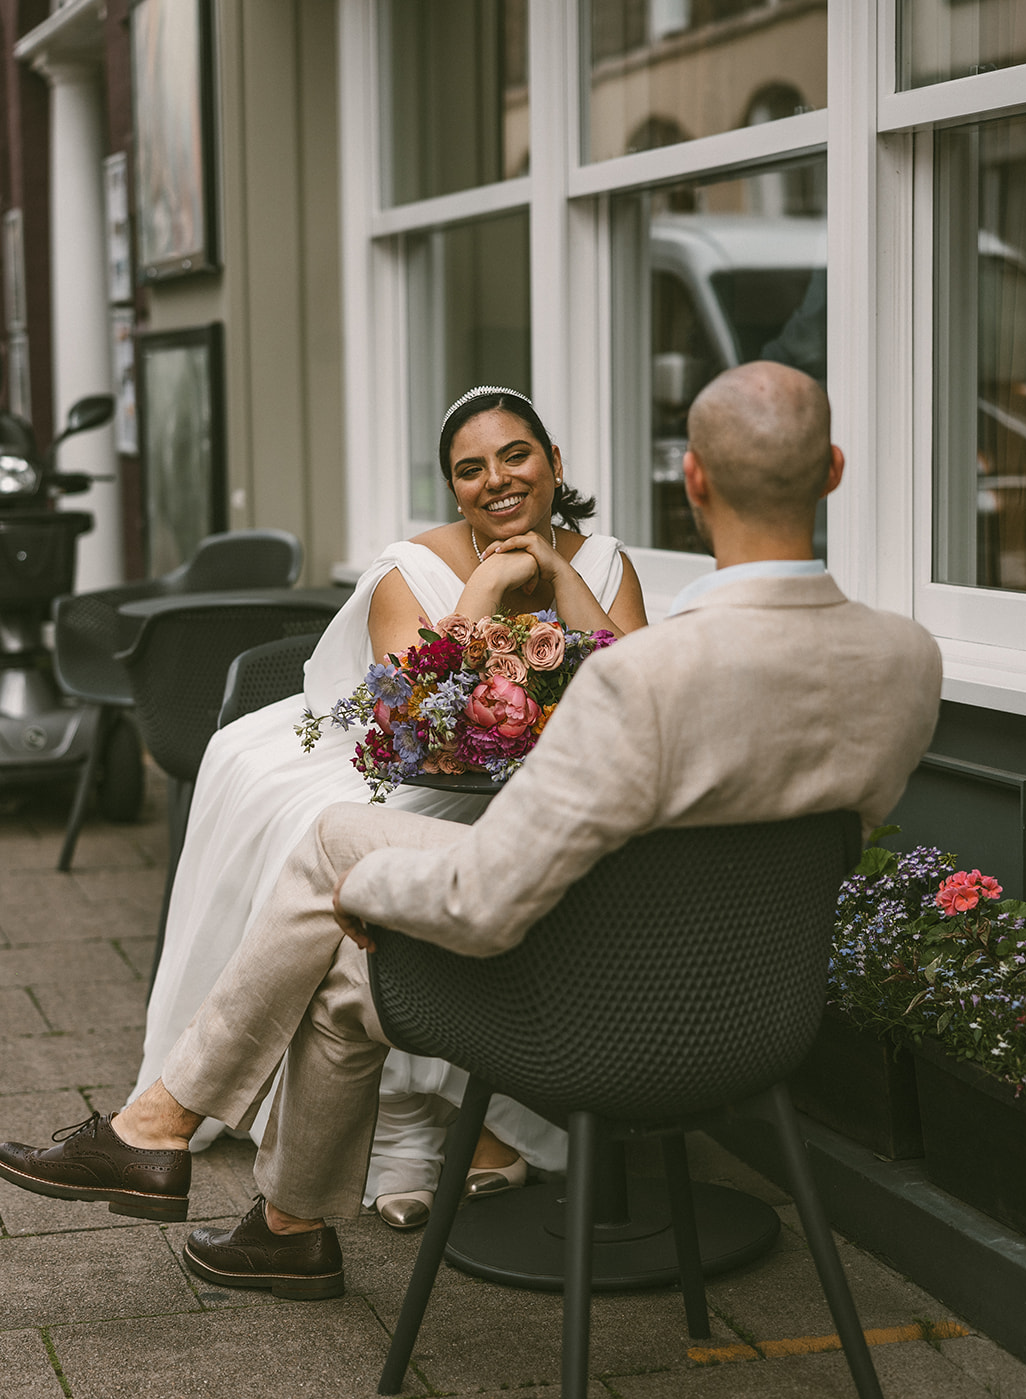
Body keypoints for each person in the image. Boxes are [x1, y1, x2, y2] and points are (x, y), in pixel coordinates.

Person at [0, 361, 943, 1299]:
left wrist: (369, 895)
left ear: (691, 479)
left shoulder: (637, 677)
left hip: (597, 1000)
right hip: (761, 1003)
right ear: (833, 470)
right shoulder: (908, 660)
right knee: (341, 915)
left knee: (337, 858)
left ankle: (159, 1127)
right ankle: (280, 1227)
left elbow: (485, 906)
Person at [127, 385, 648, 1229]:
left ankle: (418, 1125)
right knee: (367, 858)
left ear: (553, 462)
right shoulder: (411, 570)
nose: (496, 480)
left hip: (551, 781)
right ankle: (404, 1124)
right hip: (406, 763)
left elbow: (635, 687)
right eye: (469, 470)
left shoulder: (604, 562)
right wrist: (483, 590)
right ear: (453, 490)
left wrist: (554, 573)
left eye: (515, 455)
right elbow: (415, 726)